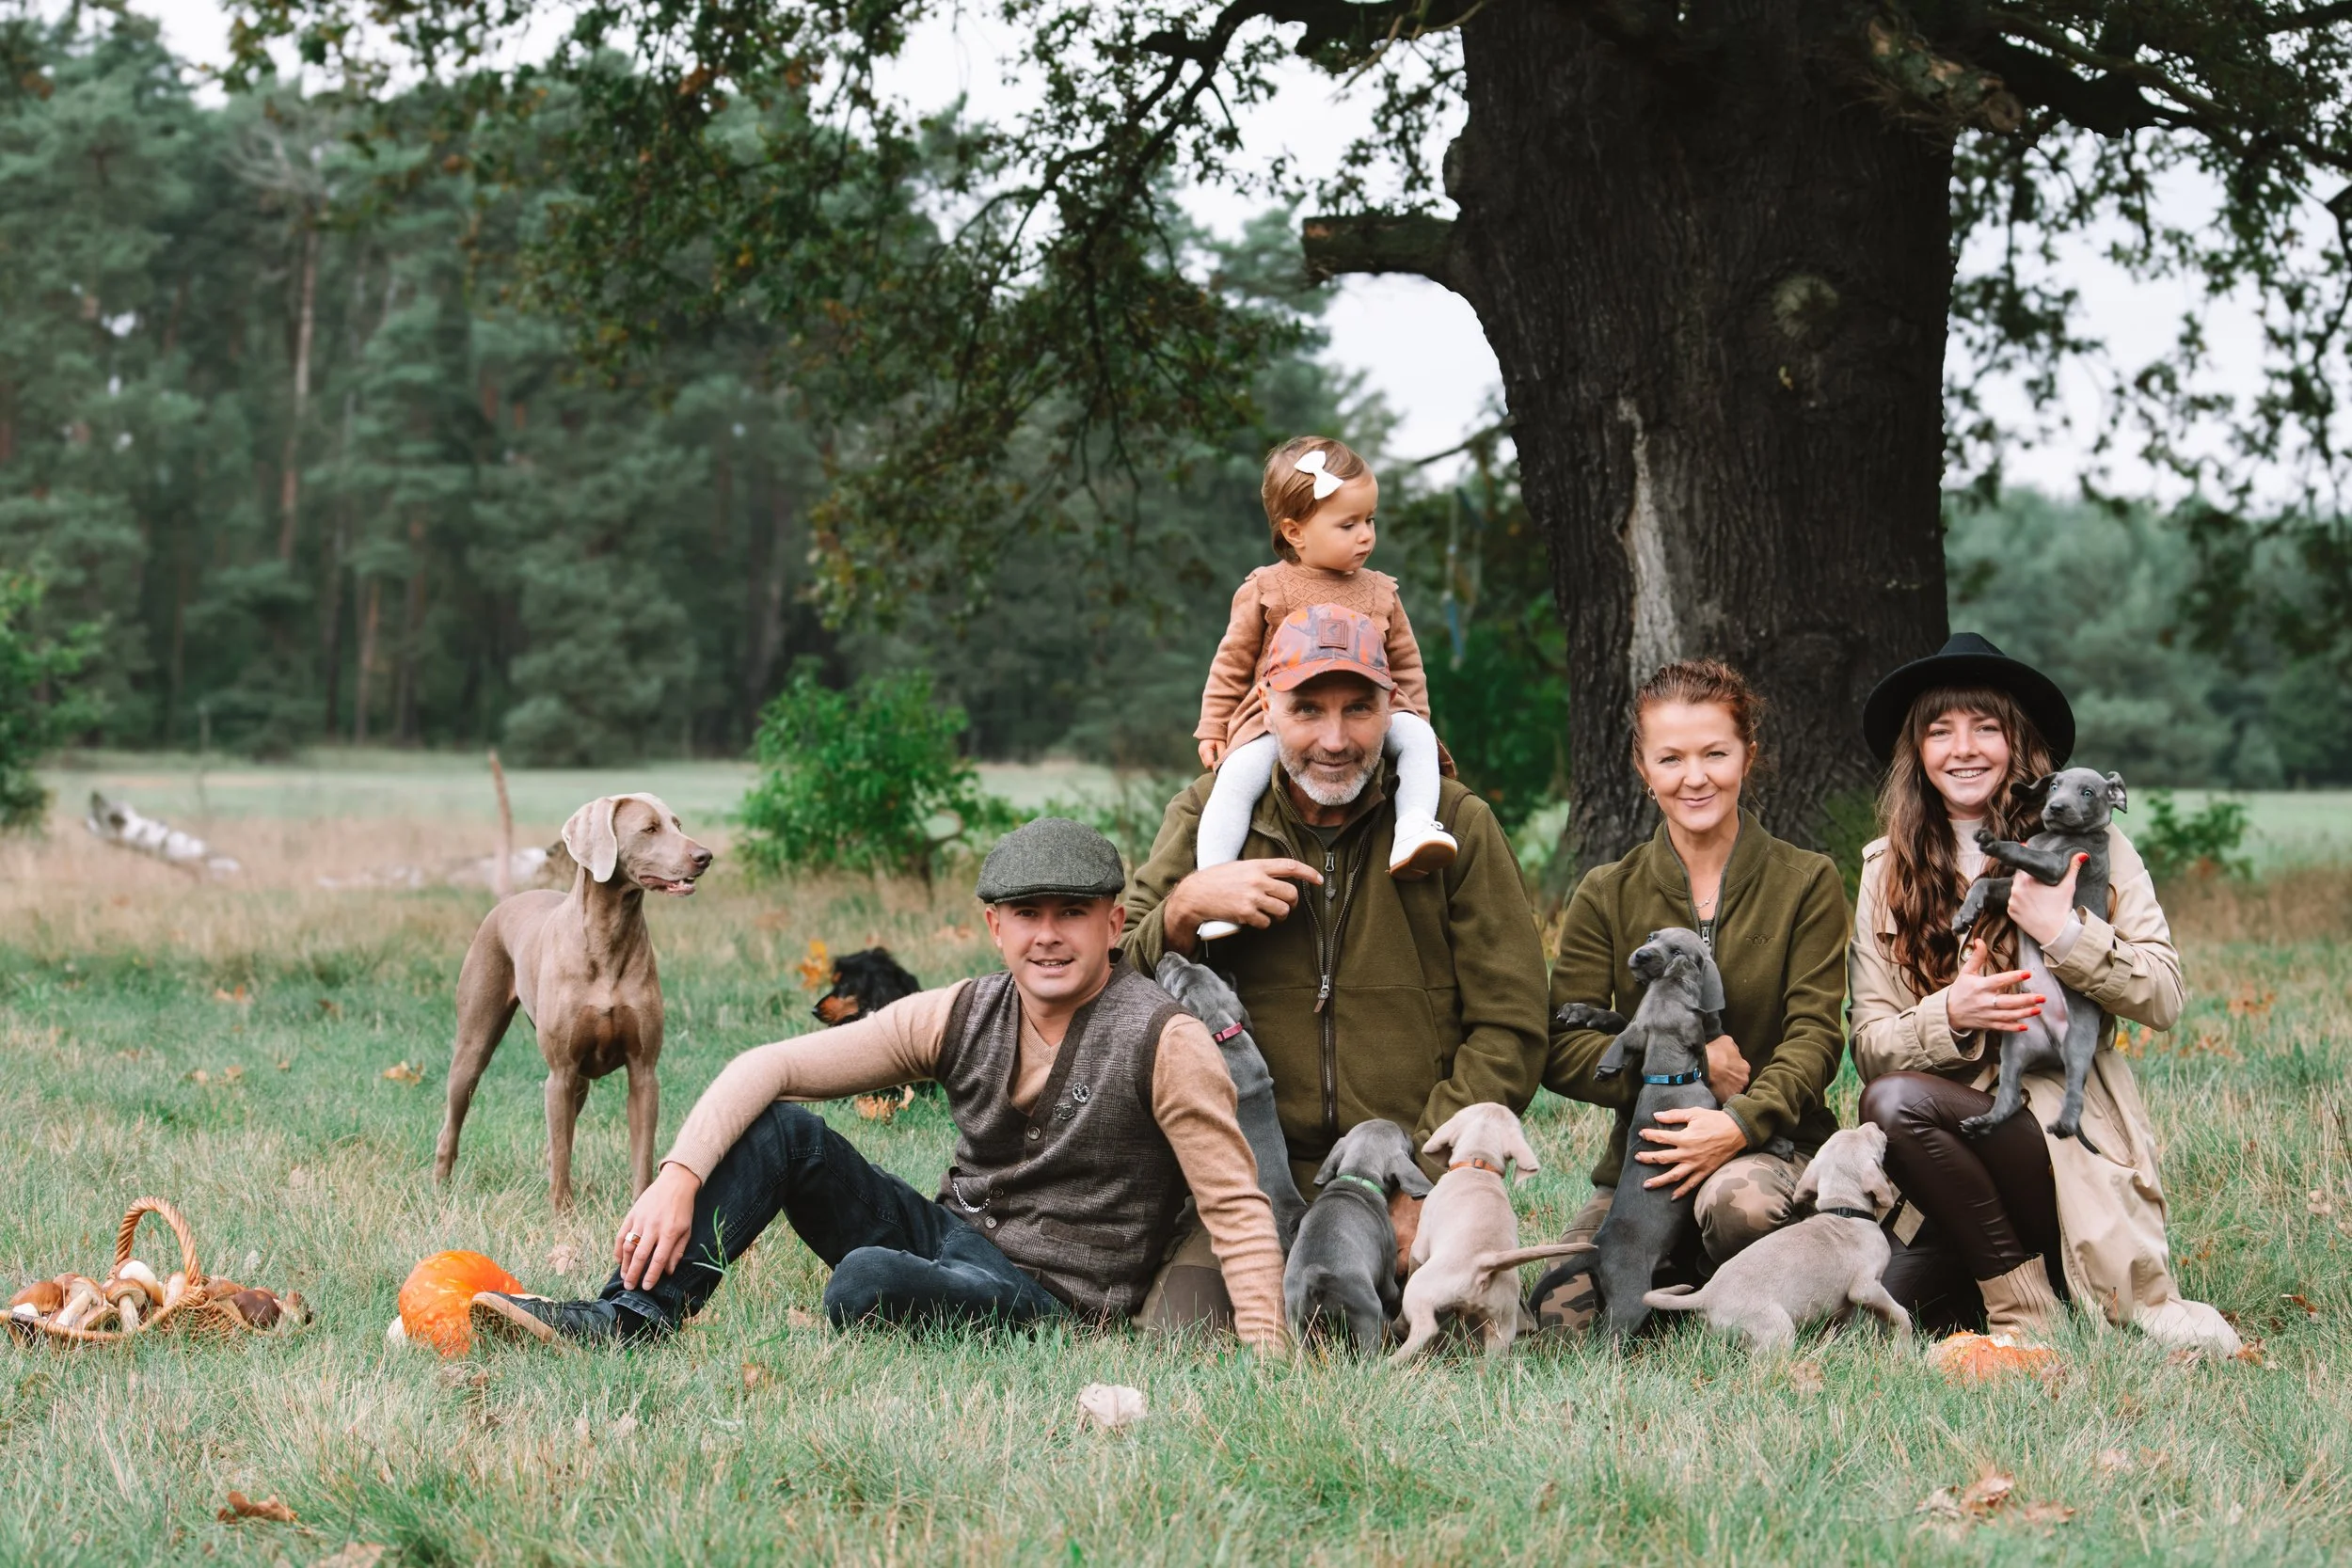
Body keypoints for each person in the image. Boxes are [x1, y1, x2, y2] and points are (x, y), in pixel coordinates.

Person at [469, 817, 1288, 1352]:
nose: (1047, 934)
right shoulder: (964, 1011)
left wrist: (1270, 1365)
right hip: (949, 1236)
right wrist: (676, 1178)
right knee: (784, 1128)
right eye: (1026, 913)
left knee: (866, 1279)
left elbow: (1236, 1207)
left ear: (1114, 921)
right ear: (993, 926)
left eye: (1071, 912)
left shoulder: (1163, 1039)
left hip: (1056, 1305)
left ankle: (895, 1295)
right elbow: (771, 1065)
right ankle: (624, 1321)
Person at [1121, 601, 1550, 1325]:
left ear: (1393, 706)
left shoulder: (1456, 823)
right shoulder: (1207, 816)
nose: (1335, 737)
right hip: (1249, 1176)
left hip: (1398, 1165)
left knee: (1434, 1342)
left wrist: (1425, 1179)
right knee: (1182, 1337)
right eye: (1307, 707)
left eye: (1359, 707)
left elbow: (1511, 1024)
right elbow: (1116, 979)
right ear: (1266, 706)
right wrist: (1185, 908)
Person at [1849, 632, 2237, 1352]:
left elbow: (2164, 994)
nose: (1963, 748)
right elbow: (1871, 1043)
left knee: (1896, 1101)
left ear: (2017, 740)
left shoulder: (2098, 845)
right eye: (1941, 730)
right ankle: (2015, 1280)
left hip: (2059, 1145)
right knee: (1864, 1326)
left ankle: (2027, 1312)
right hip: (1945, 1168)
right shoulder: (1885, 870)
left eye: (1985, 727)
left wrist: (2065, 932)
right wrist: (1950, 1013)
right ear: (1918, 750)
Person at [1529, 658, 1850, 1333]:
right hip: (1650, 1155)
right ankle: (1673, 1279)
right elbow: (1564, 1045)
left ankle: (1742, 1278)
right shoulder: (1606, 891)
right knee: (1563, 1311)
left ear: (1748, 756)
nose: (1694, 776)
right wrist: (1689, 1071)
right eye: (1670, 757)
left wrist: (1737, 1122)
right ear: (1643, 767)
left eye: (1715, 754)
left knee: (1742, 1210)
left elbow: (1816, 1036)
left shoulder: (1806, 880)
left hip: (1769, 1143)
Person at [1189, 436, 1454, 941]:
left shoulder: (1380, 591)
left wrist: (1413, 715)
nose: (1365, 536)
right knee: (1236, 780)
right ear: (1295, 531)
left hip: (1375, 708)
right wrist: (1214, 726)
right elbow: (1231, 661)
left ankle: (1414, 828)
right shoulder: (1268, 587)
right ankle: (1216, 886)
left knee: (1418, 742)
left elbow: (1406, 663)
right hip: (1279, 715)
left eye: (1370, 520)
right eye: (1348, 524)